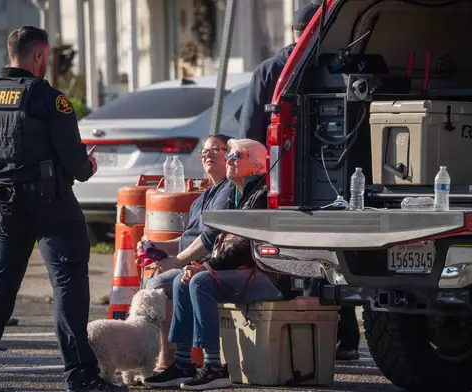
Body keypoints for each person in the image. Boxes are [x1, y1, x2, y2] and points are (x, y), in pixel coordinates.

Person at [0, 26, 126, 392]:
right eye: (47, 57)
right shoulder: (49, 99)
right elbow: (78, 165)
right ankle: (80, 376)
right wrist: (87, 168)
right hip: (51, 203)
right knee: (68, 286)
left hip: (3, 202)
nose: (48, 64)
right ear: (38, 55)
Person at [239, 3, 361, 360]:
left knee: (297, 260)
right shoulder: (333, 64)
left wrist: (253, 183)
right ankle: (344, 339)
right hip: (338, 176)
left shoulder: (273, 70)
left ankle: (308, 341)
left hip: (288, 181)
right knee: (338, 255)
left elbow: (250, 137)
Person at [143, 139, 295, 390]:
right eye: (230, 156)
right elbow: (225, 245)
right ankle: (182, 364)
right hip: (245, 272)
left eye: (237, 155)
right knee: (184, 281)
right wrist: (198, 265)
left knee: (200, 281)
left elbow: (244, 248)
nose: (229, 160)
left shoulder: (261, 196)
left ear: (258, 167)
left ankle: (214, 366)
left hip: (271, 276)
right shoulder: (242, 193)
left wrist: (206, 267)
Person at [138, 134, 236, 370]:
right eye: (204, 152)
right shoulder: (202, 198)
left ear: (229, 154)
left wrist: (177, 260)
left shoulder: (228, 190)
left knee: (160, 285)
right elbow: (187, 239)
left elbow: (210, 238)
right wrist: (157, 246)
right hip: (190, 260)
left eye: (216, 149)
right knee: (153, 283)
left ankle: (169, 357)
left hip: (211, 264)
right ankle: (169, 359)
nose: (208, 155)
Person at [238, 3, 320, 145]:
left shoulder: (266, 70)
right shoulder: (329, 68)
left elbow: (249, 128)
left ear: (292, 29)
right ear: (321, 29)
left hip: (277, 161)